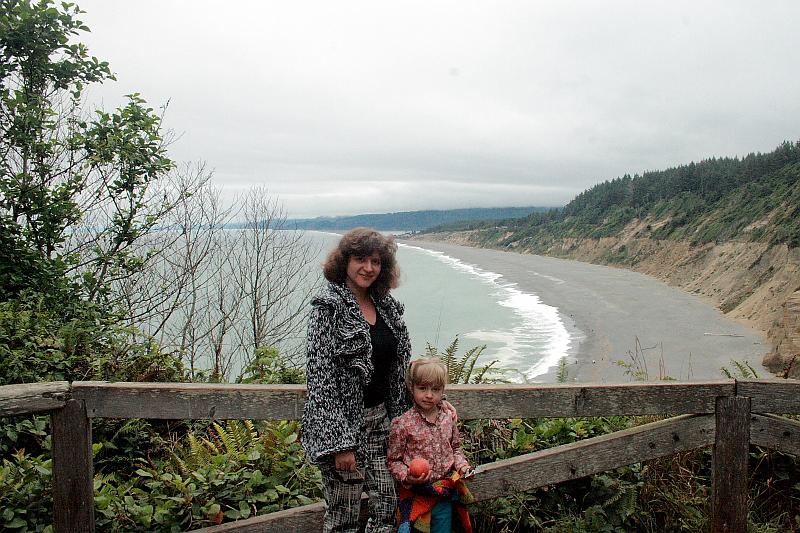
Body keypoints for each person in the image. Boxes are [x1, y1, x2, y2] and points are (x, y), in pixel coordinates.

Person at [301, 228, 412, 533]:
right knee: (343, 518)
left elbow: (398, 369)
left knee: (387, 509)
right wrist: (340, 444)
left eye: (375, 261)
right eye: (360, 259)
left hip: (382, 424)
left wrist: (428, 410)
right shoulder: (328, 308)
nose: (368, 267)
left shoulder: (387, 306)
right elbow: (321, 380)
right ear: (345, 262)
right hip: (345, 428)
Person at [387, 357, 474, 533]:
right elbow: (393, 460)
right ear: (411, 387)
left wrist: (463, 467)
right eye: (422, 388)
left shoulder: (448, 418)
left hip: (444, 493)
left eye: (435, 389)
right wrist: (407, 477)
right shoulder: (403, 423)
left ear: (442, 390)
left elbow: (455, 448)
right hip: (417, 495)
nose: (429, 395)